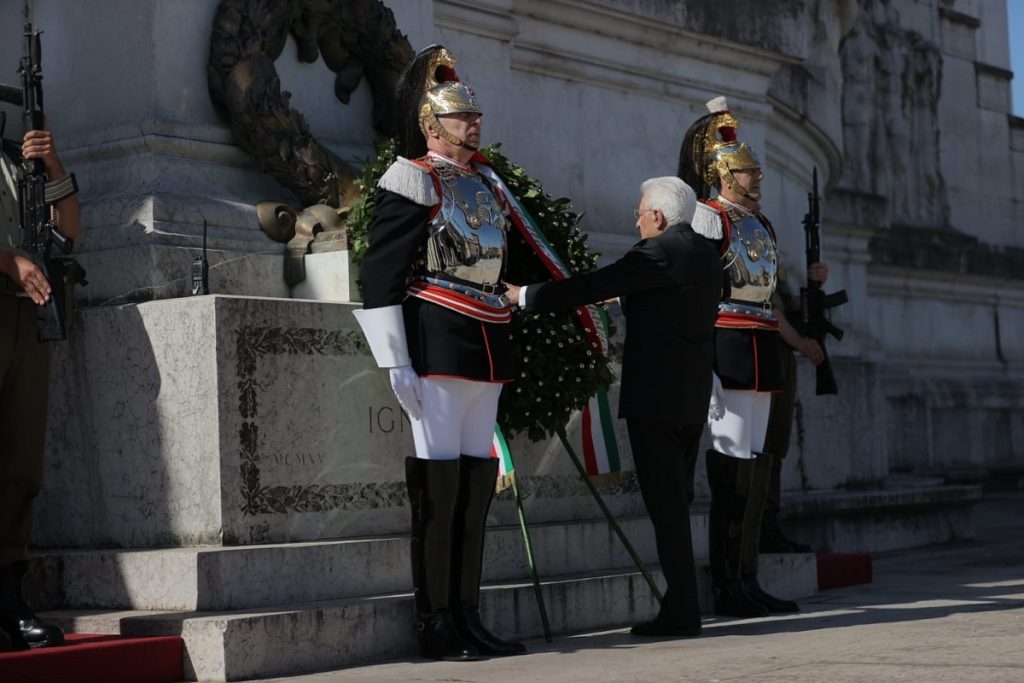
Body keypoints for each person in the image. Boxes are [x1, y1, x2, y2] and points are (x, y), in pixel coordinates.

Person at [352, 45, 524, 661]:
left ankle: (469, 612)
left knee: (478, 482)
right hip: (440, 336)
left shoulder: (486, 183)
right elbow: (381, 272)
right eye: (459, 117)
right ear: (431, 125)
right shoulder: (413, 177)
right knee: (441, 483)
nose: (473, 125)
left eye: (475, 116)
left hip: (487, 338)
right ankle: (436, 620)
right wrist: (396, 358)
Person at [505, 175, 722, 637]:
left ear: (659, 217)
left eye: (641, 212)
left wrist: (525, 295)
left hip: (655, 401)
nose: (637, 219)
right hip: (689, 400)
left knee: (666, 509)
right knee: (677, 504)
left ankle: (682, 611)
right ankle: (684, 604)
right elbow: (672, 301)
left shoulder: (656, 253)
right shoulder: (705, 254)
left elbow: (593, 285)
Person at [679, 96, 822, 619]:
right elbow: (697, 296)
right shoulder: (710, 219)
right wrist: (708, 370)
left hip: (761, 350)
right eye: (746, 171)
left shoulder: (761, 224)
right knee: (732, 471)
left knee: (757, 467)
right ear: (722, 174)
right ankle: (727, 583)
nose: (757, 177)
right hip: (729, 351)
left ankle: (747, 577)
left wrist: (796, 336)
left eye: (757, 170)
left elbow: (766, 297)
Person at [0, 126, 80, 650]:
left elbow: (69, 231)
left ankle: (9, 602)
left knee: (19, 464)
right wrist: (9, 262)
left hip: (28, 319)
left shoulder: (16, 162)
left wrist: (54, 168)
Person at [759, 263, 828, 554]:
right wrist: (800, 342)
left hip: (781, 352)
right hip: (763, 349)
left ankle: (769, 523)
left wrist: (814, 287)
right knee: (762, 446)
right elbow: (767, 308)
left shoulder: (766, 241)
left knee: (776, 444)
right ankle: (758, 526)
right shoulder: (740, 236)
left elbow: (786, 304)